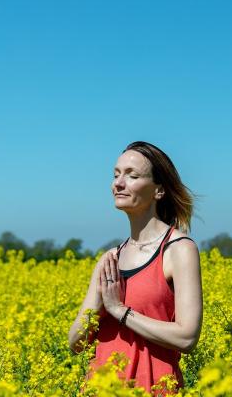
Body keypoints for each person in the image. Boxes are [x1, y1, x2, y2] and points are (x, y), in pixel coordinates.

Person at [68, 141, 203, 395]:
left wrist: (119, 310)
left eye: (132, 175)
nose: (118, 183)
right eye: (116, 174)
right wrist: (98, 306)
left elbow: (187, 338)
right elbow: (74, 344)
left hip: (154, 388)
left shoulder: (179, 250)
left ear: (159, 190)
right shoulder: (110, 259)